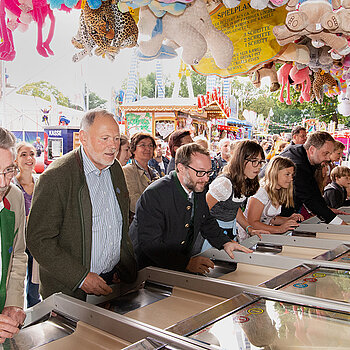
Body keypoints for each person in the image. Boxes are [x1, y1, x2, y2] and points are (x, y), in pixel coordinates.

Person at [27, 109, 137, 300]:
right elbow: (39, 240)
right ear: (83, 138)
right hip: (71, 291)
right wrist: (80, 278)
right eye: (104, 138)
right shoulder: (57, 177)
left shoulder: (116, 169)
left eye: (117, 138)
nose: (113, 146)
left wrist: (122, 265)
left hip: (112, 282)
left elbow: (119, 224)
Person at [129, 143, 252, 273]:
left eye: (208, 172)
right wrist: (186, 263)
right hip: (147, 270)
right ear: (181, 168)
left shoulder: (197, 187)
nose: (205, 178)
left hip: (174, 268)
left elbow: (206, 221)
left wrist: (225, 242)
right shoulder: (155, 194)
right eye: (200, 172)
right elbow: (150, 244)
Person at [206, 140, 269, 243]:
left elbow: (234, 208)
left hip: (229, 230)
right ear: (241, 160)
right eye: (254, 161)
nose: (258, 166)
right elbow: (202, 211)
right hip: (212, 234)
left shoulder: (245, 181)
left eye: (260, 162)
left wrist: (249, 228)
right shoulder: (224, 183)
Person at [279, 131, 347, 225]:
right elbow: (310, 198)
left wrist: (326, 209)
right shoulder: (298, 166)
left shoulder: (300, 153)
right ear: (312, 150)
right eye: (325, 153)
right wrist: (340, 224)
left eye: (330, 153)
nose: (328, 158)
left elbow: (313, 190)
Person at [0, 127, 27, 342]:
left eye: (8, 170)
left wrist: (13, 301)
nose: (3, 183)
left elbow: (17, 255)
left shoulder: (14, 197)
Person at [238, 156, 303, 236]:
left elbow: (270, 219)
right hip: (247, 236)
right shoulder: (261, 192)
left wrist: (288, 219)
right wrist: (279, 229)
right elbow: (252, 223)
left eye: (292, 175)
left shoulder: (278, 190)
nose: (291, 179)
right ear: (274, 173)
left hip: (262, 235)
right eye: (287, 174)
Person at [13, 142, 41, 307]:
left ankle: (34, 318)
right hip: (17, 242)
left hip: (36, 242)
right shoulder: (10, 186)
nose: (29, 158)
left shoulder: (41, 183)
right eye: (23, 154)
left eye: (32, 154)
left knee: (35, 288)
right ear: (16, 159)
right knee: (15, 284)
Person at [123, 132, 160, 216]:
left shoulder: (154, 172)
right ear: (133, 149)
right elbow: (134, 203)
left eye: (151, 145)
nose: (148, 149)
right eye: (143, 145)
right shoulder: (127, 171)